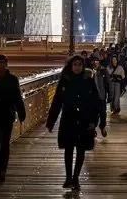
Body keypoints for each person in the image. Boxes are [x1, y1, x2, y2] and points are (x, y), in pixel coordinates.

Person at [46, 55, 99, 190]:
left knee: (80, 150)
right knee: (68, 150)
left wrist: (94, 120)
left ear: (83, 66)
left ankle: (75, 178)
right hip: (68, 119)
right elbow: (57, 102)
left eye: (79, 65)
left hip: (84, 119)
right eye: (75, 64)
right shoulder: (65, 81)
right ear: (71, 66)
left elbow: (95, 102)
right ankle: (68, 177)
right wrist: (51, 121)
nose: (77, 67)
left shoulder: (88, 81)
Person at [90, 54, 109, 137]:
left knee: (103, 113)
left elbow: (108, 83)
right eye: (94, 62)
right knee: (93, 114)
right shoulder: (89, 72)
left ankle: (102, 127)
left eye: (97, 61)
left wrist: (110, 95)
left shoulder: (104, 71)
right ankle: (93, 129)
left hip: (102, 96)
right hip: (92, 98)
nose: (95, 63)